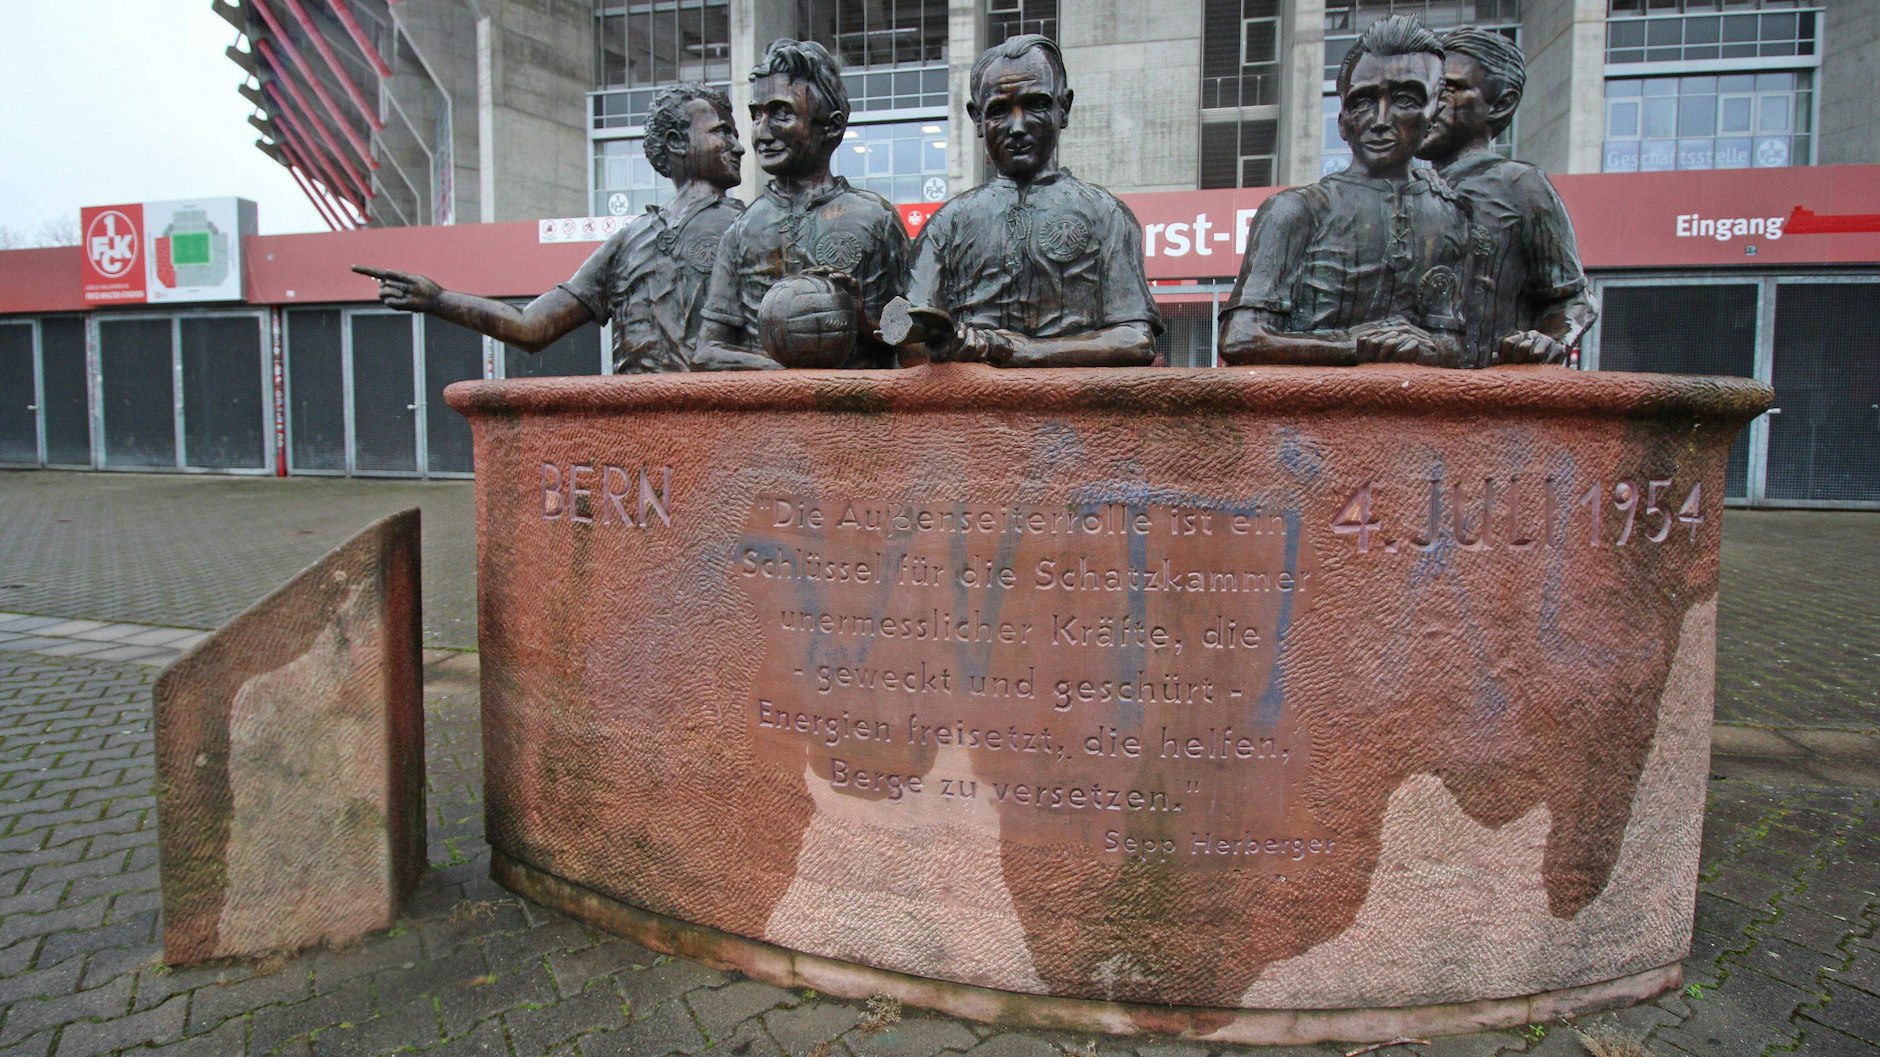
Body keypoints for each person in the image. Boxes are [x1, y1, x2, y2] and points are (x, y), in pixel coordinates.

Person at [353, 83, 744, 374]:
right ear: (677, 142)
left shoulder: (750, 225)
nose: (738, 147)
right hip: (639, 429)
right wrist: (437, 299)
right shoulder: (629, 240)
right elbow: (533, 327)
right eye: (722, 132)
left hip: (719, 431)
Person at [891, 34, 1161, 368]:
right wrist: (946, 349)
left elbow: (1135, 339)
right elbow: (910, 343)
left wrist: (1019, 350)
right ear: (977, 119)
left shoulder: (1106, 214)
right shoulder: (946, 224)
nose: (1017, 127)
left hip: (1071, 411)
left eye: (1036, 105)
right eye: (1000, 111)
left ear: (1064, 108)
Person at [1218, 15, 1469, 368]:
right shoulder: (1293, 210)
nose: (1381, 120)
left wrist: (1425, 347)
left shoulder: (1450, 216)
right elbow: (1241, 337)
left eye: (1405, 100)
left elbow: (1455, 343)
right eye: (1363, 102)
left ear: (1434, 112)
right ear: (1342, 121)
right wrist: (1356, 345)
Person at [694, 39, 910, 370]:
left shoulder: (875, 219)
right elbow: (707, 352)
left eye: (781, 113)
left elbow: (914, 350)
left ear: (832, 126)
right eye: (756, 116)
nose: (762, 133)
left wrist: (862, 324)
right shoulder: (742, 229)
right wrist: (786, 376)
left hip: (855, 414)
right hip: (770, 417)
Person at [1417, 26, 1596, 366]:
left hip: (1488, 390)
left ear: (1501, 103)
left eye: (1449, 90)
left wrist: (1548, 340)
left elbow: (1573, 299)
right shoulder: (1400, 189)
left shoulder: (1521, 186)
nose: (1428, 107)